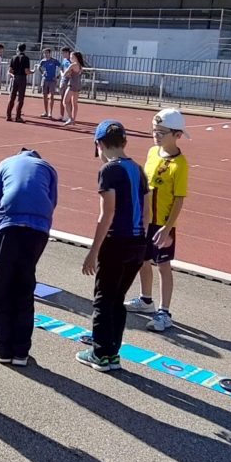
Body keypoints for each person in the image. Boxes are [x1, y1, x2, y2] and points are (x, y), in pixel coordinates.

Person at [77, 120, 149, 372]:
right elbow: (147, 212)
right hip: (138, 242)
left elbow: (107, 214)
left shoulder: (109, 171)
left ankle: (99, 353)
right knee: (118, 299)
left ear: (100, 144)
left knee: (103, 299)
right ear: (125, 143)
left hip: (115, 242)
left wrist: (93, 251)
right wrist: (143, 243)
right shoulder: (139, 170)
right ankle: (113, 353)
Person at [0, 147, 58, 365]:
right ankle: (21, 352)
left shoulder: (5, 163)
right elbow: (52, 202)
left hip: (9, 224)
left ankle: (3, 349)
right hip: (38, 229)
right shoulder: (48, 168)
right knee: (24, 288)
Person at [126, 107, 189, 333]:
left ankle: (165, 311)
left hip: (163, 224)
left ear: (177, 135)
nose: (156, 135)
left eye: (162, 132)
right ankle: (146, 300)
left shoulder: (180, 165)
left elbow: (179, 200)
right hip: (145, 220)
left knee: (163, 265)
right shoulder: (153, 152)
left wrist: (167, 228)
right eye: (154, 130)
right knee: (143, 260)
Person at [58, 49, 86, 126]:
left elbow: (64, 74)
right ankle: (73, 119)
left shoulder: (73, 65)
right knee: (74, 103)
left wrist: (63, 72)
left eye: (71, 56)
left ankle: (71, 118)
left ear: (75, 57)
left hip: (72, 84)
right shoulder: (80, 65)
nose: (70, 58)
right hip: (78, 85)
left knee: (65, 101)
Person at [5, 43, 31, 122]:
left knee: (12, 97)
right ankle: (18, 117)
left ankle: (8, 115)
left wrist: (14, 74)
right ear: (25, 49)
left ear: (18, 48)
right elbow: (26, 71)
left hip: (15, 77)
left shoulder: (13, 57)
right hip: (22, 78)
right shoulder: (26, 58)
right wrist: (32, 72)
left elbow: (10, 70)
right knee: (20, 98)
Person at [37, 47, 63, 119]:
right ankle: (45, 112)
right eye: (44, 53)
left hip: (52, 80)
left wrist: (58, 76)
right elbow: (39, 67)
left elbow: (61, 67)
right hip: (45, 80)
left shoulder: (54, 61)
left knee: (51, 96)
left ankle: (50, 113)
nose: (45, 54)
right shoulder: (43, 61)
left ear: (50, 53)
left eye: (47, 53)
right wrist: (42, 73)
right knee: (44, 96)